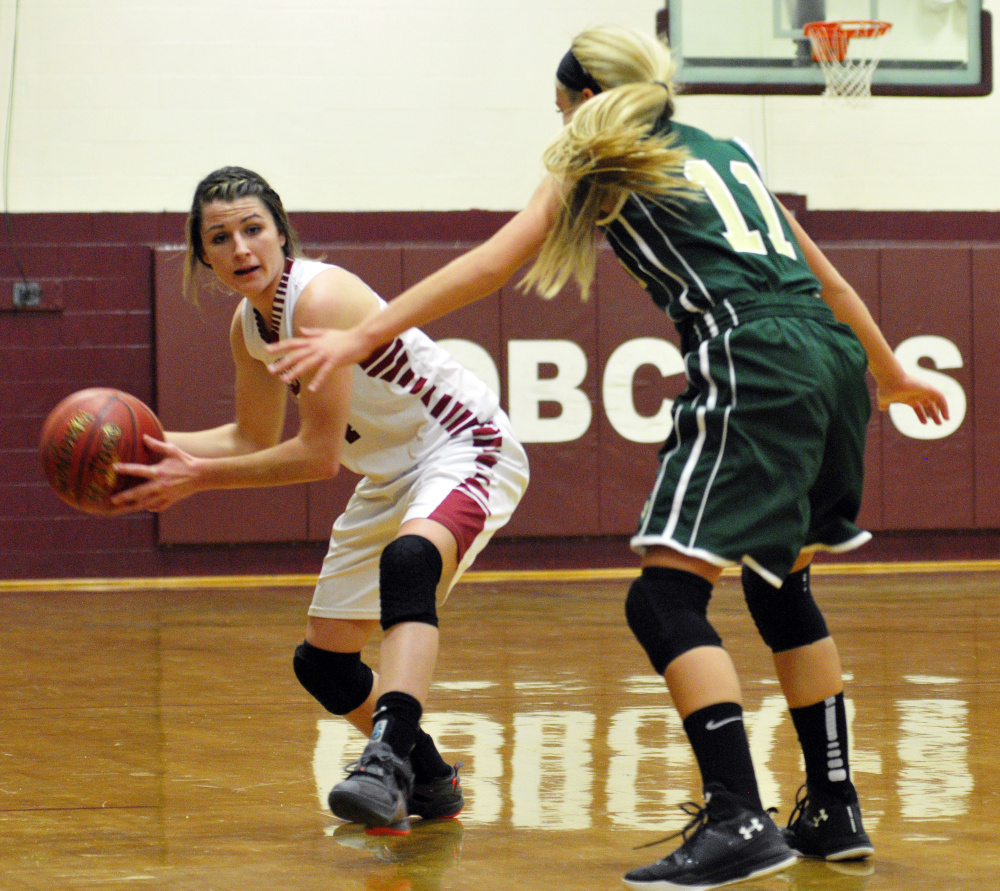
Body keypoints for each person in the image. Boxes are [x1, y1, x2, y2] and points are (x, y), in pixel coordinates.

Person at [266, 26, 949, 890]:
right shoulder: (727, 148)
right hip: (830, 359)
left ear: (586, 97)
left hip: (753, 360)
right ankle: (833, 805)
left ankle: (740, 813)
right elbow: (834, 284)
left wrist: (363, 331)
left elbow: (493, 263)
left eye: (559, 108)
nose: (558, 124)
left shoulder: (601, 148)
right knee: (783, 587)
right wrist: (887, 373)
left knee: (664, 600)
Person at [111, 166, 529, 837]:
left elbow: (316, 456)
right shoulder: (249, 326)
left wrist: (197, 478)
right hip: (391, 473)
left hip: (462, 443)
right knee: (325, 661)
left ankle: (385, 761)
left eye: (253, 228)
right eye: (222, 236)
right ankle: (430, 778)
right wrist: (150, 449)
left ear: (280, 232)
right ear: (205, 256)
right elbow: (248, 435)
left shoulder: (321, 297)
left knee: (410, 560)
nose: (241, 246)